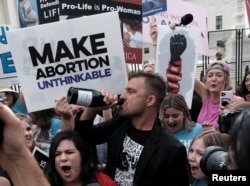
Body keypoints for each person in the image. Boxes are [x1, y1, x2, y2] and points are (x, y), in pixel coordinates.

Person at [59, 71, 189, 185]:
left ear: (149, 100)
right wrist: (93, 109)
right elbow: (84, 137)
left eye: (131, 92)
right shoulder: (121, 123)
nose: (123, 96)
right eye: (125, 90)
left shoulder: (171, 149)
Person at [0, 102, 50, 186]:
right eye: (20, 130)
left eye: (28, 129)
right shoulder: (3, 175)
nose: (27, 134)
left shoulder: (43, 158)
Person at [45, 130, 116, 186]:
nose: (63, 158)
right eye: (57, 154)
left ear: (83, 156)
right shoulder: (43, 182)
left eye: (69, 152)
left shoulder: (102, 181)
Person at [195, 61, 244, 131]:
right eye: (210, 75)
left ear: (226, 80)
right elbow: (189, 74)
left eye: (219, 75)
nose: (213, 79)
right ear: (205, 80)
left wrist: (215, 131)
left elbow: (242, 130)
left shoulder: (236, 100)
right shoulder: (206, 96)